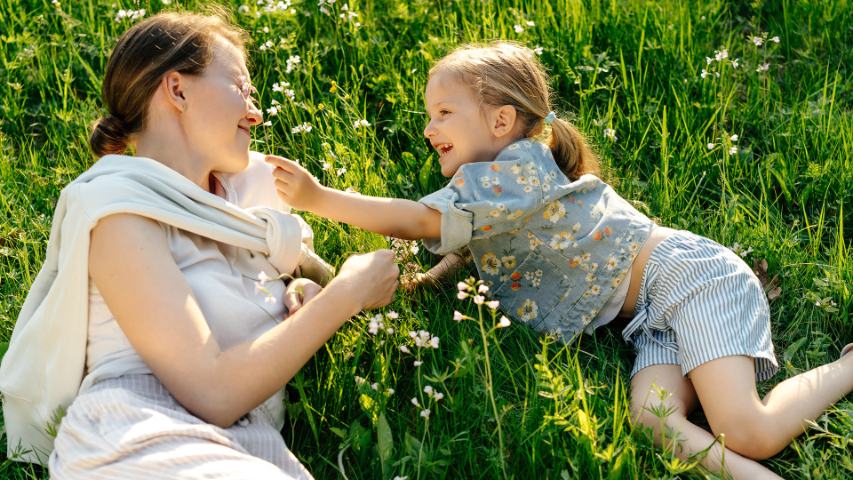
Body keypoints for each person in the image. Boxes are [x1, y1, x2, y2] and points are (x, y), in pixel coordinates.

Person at [267, 41, 853, 479]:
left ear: (500, 121)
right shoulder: (491, 212)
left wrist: (320, 200)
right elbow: (431, 282)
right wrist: (321, 279)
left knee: (744, 429)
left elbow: (420, 221)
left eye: (443, 113)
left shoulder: (516, 171)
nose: (427, 129)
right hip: (650, 319)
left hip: (687, 278)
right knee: (652, 423)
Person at [0, 11, 399, 479]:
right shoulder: (118, 208)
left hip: (252, 444)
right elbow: (213, 392)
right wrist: (343, 296)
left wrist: (298, 295)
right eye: (240, 88)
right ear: (178, 90)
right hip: (138, 430)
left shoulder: (247, 214)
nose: (256, 111)